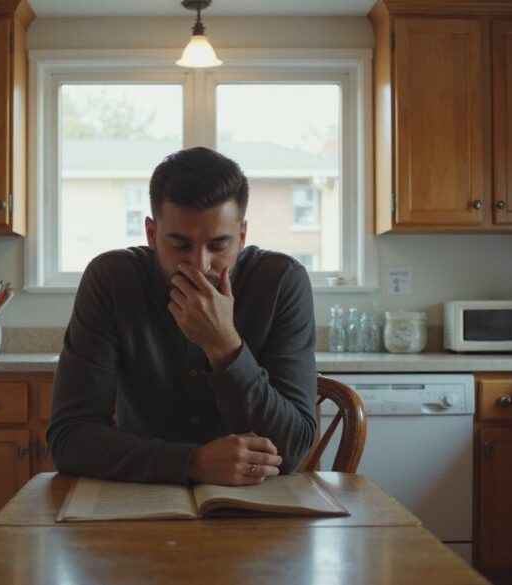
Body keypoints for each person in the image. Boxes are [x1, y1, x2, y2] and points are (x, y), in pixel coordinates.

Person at [46, 147, 317, 486]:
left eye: (219, 246)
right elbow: (68, 438)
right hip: (142, 494)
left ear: (242, 236)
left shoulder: (282, 282)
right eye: (180, 245)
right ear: (151, 234)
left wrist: (224, 346)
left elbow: (292, 449)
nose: (200, 265)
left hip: (256, 499)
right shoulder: (112, 279)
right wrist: (193, 463)